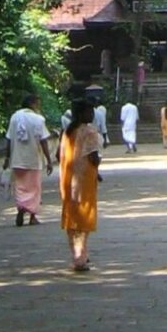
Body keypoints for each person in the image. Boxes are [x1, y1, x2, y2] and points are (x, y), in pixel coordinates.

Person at [60, 99, 102, 272]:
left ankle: (78, 253)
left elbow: (60, 155)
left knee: (72, 217)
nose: (92, 114)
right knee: (84, 217)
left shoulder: (68, 131)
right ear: (82, 113)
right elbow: (93, 157)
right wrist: (97, 166)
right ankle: (80, 257)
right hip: (84, 180)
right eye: (89, 111)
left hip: (68, 179)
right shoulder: (89, 131)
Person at [3, 94, 53, 226]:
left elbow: (8, 139)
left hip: (17, 159)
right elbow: (43, 141)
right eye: (37, 103)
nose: (38, 106)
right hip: (34, 160)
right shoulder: (38, 119)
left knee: (20, 187)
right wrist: (49, 160)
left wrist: (7, 157)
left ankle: (20, 209)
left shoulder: (14, 117)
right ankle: (32, 216)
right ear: (32, 104)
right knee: (34, 188)